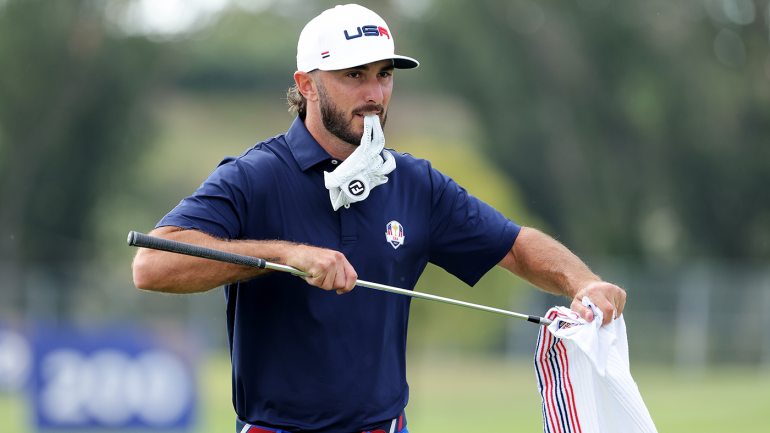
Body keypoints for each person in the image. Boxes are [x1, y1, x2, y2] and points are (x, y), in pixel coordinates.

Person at [131, 4, 626, 433]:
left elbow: (515, 245)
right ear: (306, 85)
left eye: (383, 75)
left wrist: (581, 282)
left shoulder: (415, 182)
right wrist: (283, 254)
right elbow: (152, 264)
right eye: (354, 76)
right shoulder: (254, 176)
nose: (374, 93)